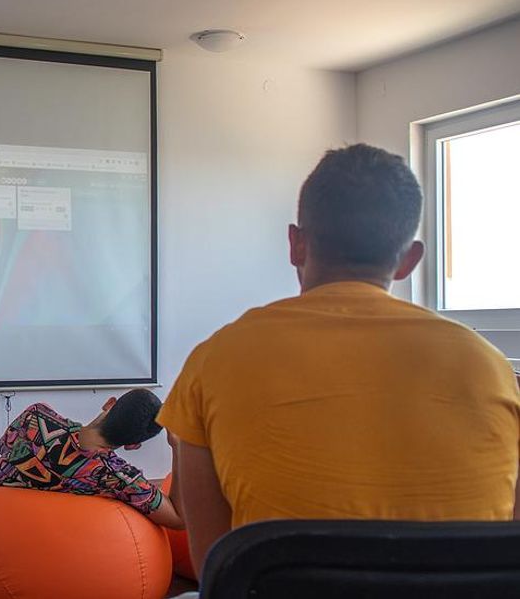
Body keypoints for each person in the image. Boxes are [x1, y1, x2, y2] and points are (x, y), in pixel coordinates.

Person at [158, 144, 520, 578]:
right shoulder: (494, 368)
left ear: (296, 244)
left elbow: (216, 568)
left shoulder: (213, 361)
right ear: (409, 260)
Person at [0, 389, 185, 529]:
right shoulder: (120, 478)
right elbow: (177, 518)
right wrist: (178, 448)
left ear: (109, 403)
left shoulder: (37, 416)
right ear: (133, 445)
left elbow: (5, 448)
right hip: (19, 523)